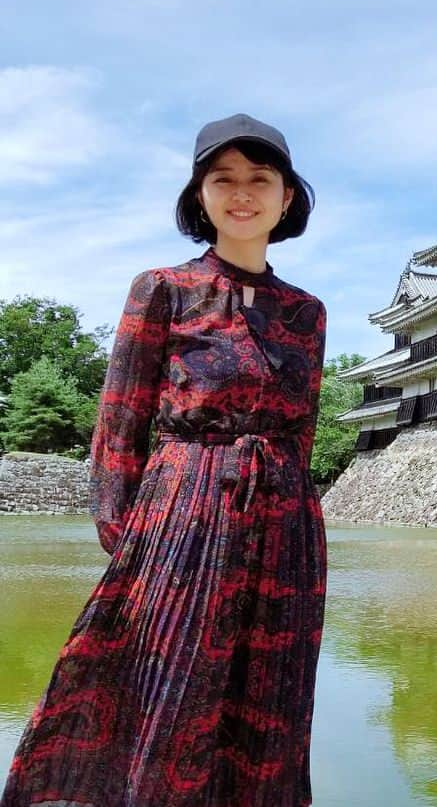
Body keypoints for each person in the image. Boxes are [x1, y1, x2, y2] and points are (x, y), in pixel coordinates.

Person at [2, 114, 328, 807]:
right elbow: (118, 428)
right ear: (200, 196)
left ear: (287, 198)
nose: (243, 194)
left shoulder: (308, 312)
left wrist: (296, 522)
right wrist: (136, 548)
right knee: (171, 690)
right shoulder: (163, 288)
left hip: (286, 529)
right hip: (183, 514)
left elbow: (301, 431)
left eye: (260, 180)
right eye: (224, 179)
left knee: (271, 698)